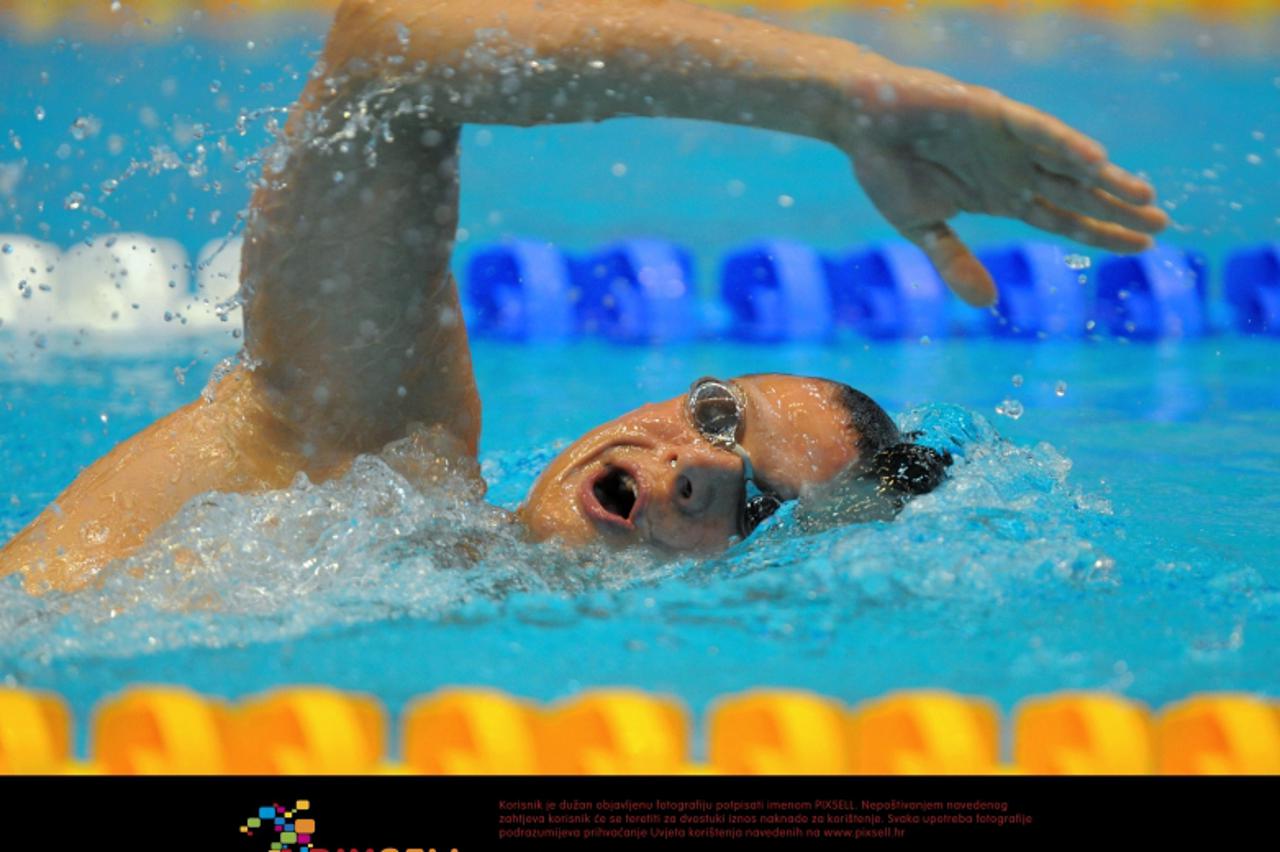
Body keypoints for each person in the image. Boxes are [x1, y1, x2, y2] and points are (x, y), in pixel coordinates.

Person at [0, 0, 1167, 593]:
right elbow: (387, 51)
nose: (699, 464)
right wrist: (841, 104)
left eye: (750, 508)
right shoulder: (352, 457)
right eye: (717, 415)